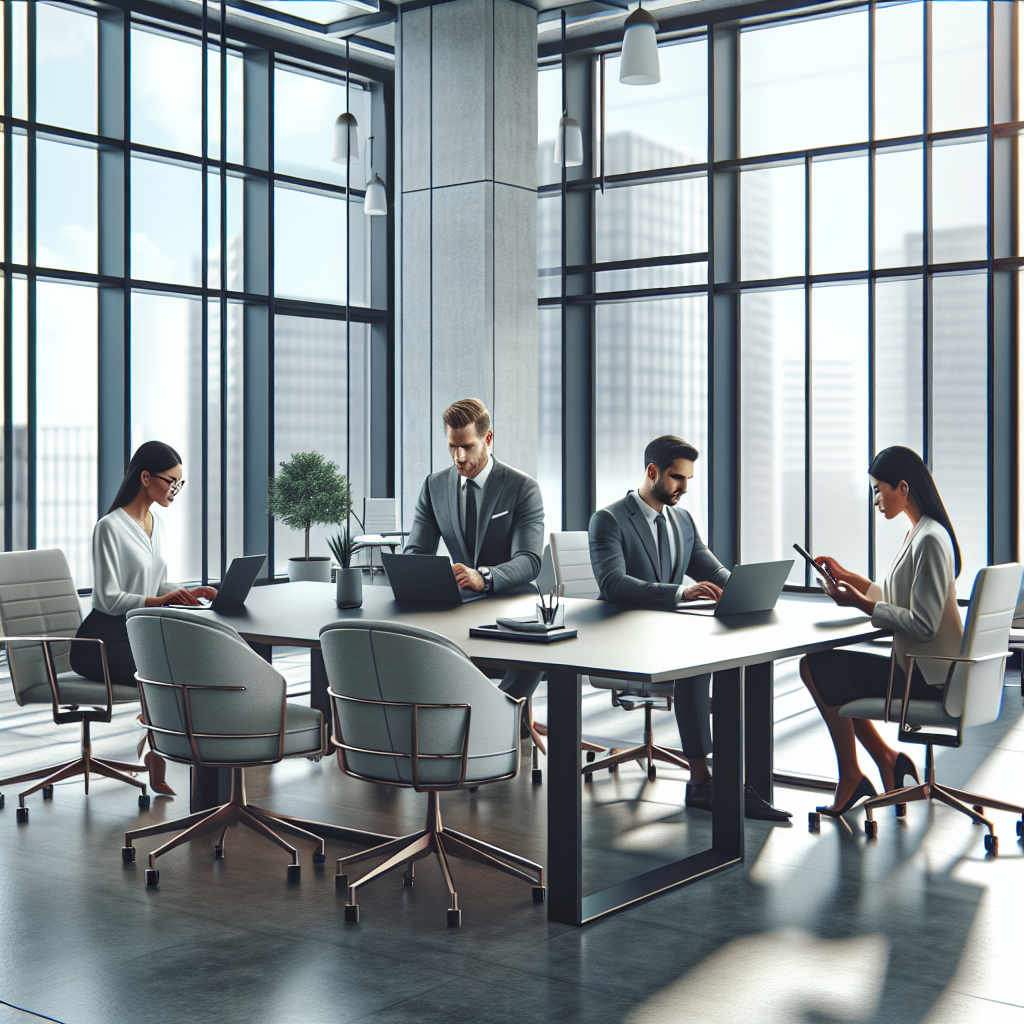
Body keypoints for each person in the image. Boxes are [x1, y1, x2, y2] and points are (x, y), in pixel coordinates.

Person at [588, 435, 791, 821]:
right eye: (678, 478)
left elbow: (710, 569)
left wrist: (744, 589)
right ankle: (701, 783)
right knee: (699, 667)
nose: (684, 488)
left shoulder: (681, 519)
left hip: (669, 633)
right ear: (652, 472)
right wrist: (682, 593)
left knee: (737, 660)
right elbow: (613, 584)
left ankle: (732, 778)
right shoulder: (609, 520)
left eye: (688, 480)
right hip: (624, 638)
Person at [800, 445, 963, 816]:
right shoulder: (921, 533)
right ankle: (884, 761)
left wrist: (860, 603)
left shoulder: (930, 540)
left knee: (816, 667)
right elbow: (895, 597)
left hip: (928, 677)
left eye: (878, 489)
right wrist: (848, 578)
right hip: (925, 670)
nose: (875, 499)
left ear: (903, 488)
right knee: (827, 671)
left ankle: (855, 774)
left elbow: (922, 623)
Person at [71, 441, 218, 794]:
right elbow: (107, 598)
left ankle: (156, 738)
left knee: (183, 662)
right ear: (146, 477)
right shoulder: (109, 527)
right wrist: (159, 600)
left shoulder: (157, 524)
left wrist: (186, 591)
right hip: (101, 638)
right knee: (163, 670)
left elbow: (156, 581)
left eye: (179, 483)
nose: (175, 490)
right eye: (172, 481)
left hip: (139, 631)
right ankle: (158, 738)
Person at [404, 398, 545, 701]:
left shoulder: (523, 488)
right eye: (452, 447)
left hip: (512, 604)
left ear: (488, 439)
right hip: (458, 604)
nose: (459, 456)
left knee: (534, 648)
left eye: (467, 446)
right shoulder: (434, 486)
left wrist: (485, 576)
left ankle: (500, 714)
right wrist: (427, 575)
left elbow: (530, 560)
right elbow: (416, 552)